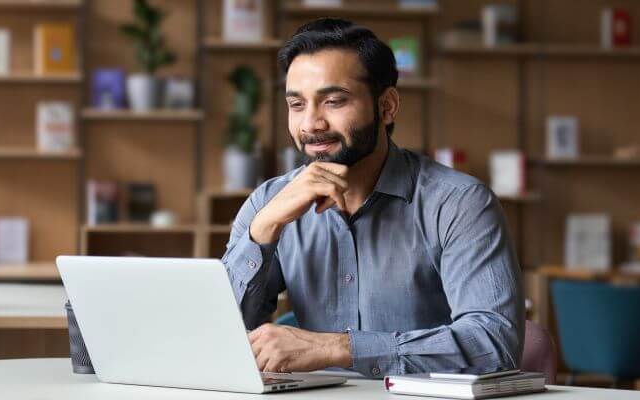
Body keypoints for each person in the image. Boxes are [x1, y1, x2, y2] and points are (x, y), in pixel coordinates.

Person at [221, 18, 524, 378]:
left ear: (387, 105)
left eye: (333, 101)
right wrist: (264, 231)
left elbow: (494, 344)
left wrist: (338, 348)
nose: (311, 124)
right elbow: (218, 338)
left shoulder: (460, 203)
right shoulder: (268, 203)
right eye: (297, 104)